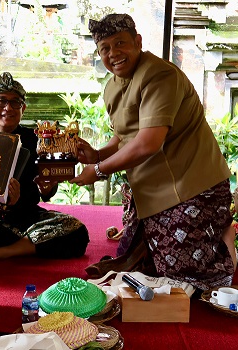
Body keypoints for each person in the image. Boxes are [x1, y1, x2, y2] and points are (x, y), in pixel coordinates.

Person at [70, 13, 236, 291]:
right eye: (105, 48)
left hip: (194, 186)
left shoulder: (160, 75)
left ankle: (224, 241)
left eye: (120, 43)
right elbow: (123, 137)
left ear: (137, 42)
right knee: (139, 270)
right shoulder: (112, 86)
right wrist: (98, 154)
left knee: (180, 281)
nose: (114, 54)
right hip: (152, 191)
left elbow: (148, 142)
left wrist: (99, 171)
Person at [0, 72, 90, 262]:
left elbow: (46, 190)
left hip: (23, 218)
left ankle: (3, 252)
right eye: (0, 101)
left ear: (23, 108)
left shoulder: (36, 141)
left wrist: (37, 191)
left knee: (76, 230)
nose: (8, 108)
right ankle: (25, 247)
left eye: (15, 103)